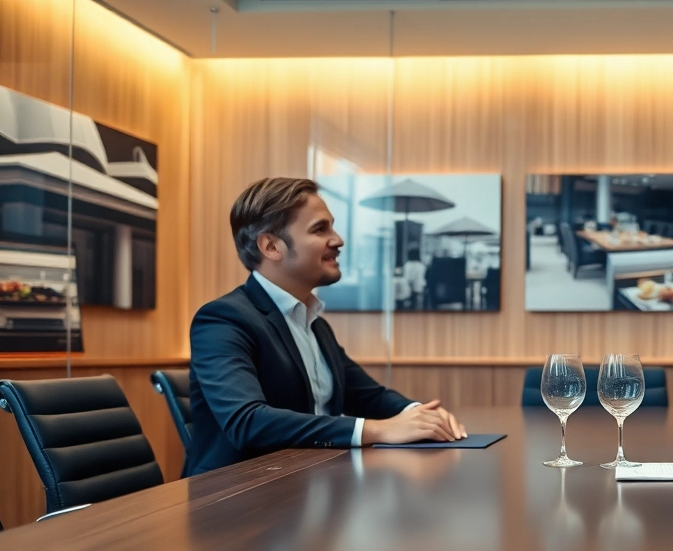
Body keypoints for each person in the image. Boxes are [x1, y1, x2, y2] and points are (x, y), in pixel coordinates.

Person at [186, 177, 466, 476]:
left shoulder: (314, 323)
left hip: (306, 486)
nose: (338, 240)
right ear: (271, 246)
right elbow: (247, 422)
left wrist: (419, 415)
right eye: (320, 229)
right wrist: (379, 430)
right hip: (234, 501)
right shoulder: (223, 319)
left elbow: (367, 395)